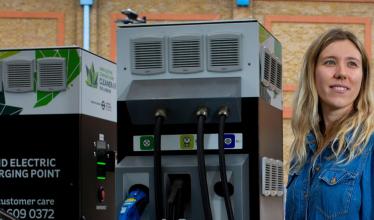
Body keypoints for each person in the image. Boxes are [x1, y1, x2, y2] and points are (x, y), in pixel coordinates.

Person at [285, 28, 374, 219]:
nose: (341, 73)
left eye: (352, 64)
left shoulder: (370, 146)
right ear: (312, 73)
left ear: (363, 78)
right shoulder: (303, 149)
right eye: (330, 62)